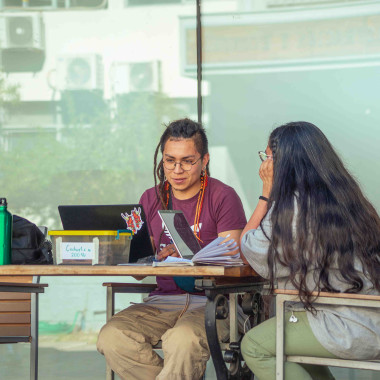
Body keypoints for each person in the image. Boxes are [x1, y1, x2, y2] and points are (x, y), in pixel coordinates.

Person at [97, 118, 247, 380]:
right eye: (170, 160)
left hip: (214, 302)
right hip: (162, 301)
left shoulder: (223, 196)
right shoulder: (150, 198)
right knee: (112, 337)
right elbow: (138, 274)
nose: (177, 170)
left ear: (204, 160)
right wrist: (133, 254)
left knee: (182, 339)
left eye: (188, 161)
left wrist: (190, 256)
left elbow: (234, 261)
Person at [239, 121, 380, 380]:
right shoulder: (345, 199)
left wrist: (265, 193)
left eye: (267, 158)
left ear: (283, 163)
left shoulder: (294, 207)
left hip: (344, 325)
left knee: (254, 346)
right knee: (296, 352)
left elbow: (252, 249)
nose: (264, 166)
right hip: (369, 319)